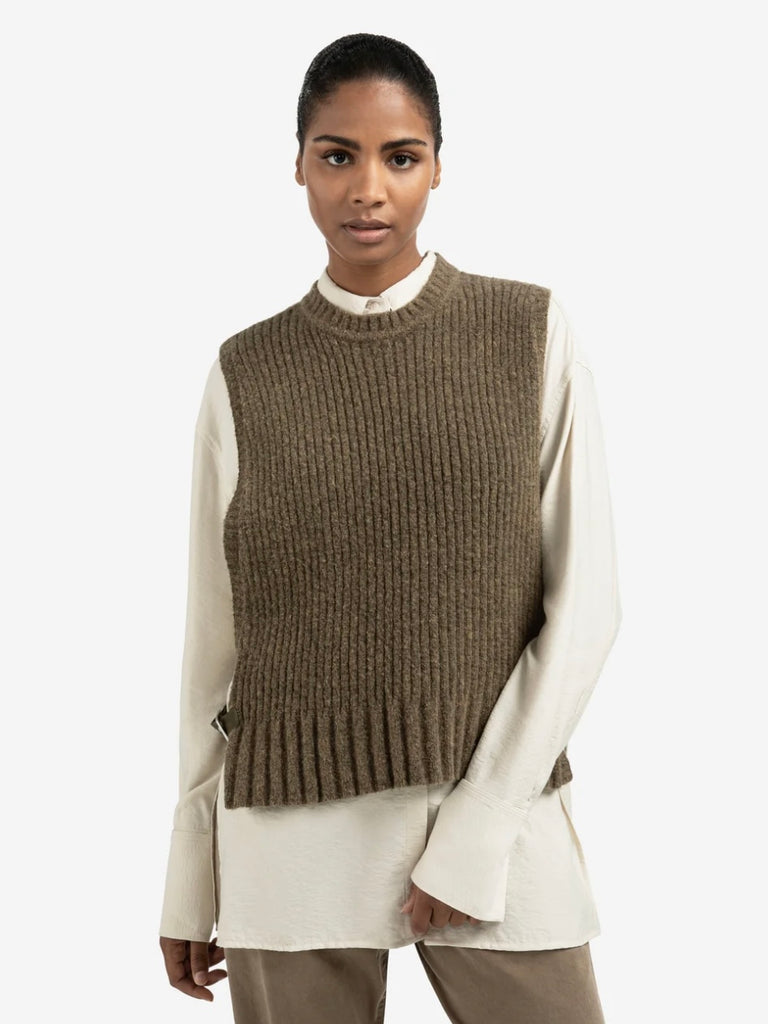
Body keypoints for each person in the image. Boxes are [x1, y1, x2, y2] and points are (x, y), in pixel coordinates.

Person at [158, 32, 622, 1024]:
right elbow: (215, 645)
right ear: (298, 166)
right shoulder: (246, 373)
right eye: (338, 155)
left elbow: (587, 607)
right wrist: (192, 869)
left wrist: (481, 824)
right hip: (286, 841)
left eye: (400, 156)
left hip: (493, 819)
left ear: (438, 167)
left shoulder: (529, 332)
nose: (368, 188)